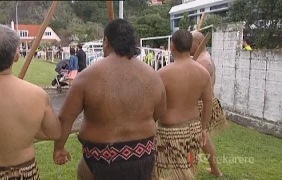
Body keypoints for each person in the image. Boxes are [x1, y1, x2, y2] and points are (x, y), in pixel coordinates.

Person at [53, 19, 166, 180]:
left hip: (100, 158)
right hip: (142, 156)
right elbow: (159, 113)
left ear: (106, 41)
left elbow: (65, 119)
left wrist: (59, 148)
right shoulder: (153, 76)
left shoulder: (86, 77)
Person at [0, 24, 62, 180]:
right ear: (16, 57)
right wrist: (27, 129)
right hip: (26, 173)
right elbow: (54, 132)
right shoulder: (38, 95)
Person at [153, 29, 212, 180]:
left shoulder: (162, 73)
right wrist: (203, 128)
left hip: (169, 131)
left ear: (172, 46)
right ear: (190, 45)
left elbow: (154, 105)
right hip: (193, 129)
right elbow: (207, 102)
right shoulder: (203, 72)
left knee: (157, 169)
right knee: (188, 165)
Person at [190, 31, 226, 177]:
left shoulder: (204, 61)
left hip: (201, 105)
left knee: (195, 140)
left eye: (190, 43)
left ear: (199, 43)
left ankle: (191, 171)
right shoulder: (202, 58)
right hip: (201, 104)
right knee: (204, 140)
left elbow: (197, 89)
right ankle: (215, 170)